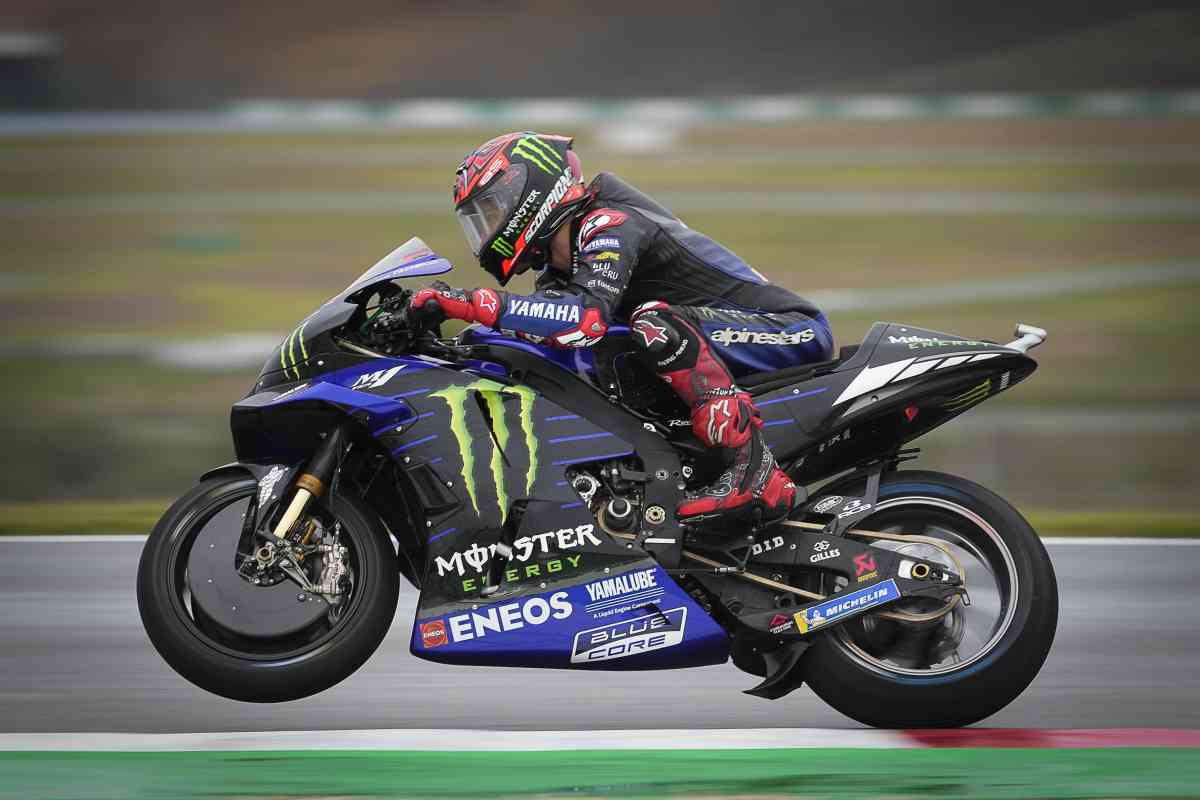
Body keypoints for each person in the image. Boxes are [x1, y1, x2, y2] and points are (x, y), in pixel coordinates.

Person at [408, 132, 833, 528]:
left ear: (529, 193)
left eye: (492, 211)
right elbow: (549, 332)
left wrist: (470, 304)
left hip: (790, 330)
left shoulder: (610, 221)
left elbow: (583, 319)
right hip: (720, 339)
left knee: (653, 325)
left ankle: (756, 473)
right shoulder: (559, 271)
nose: (486, 229)